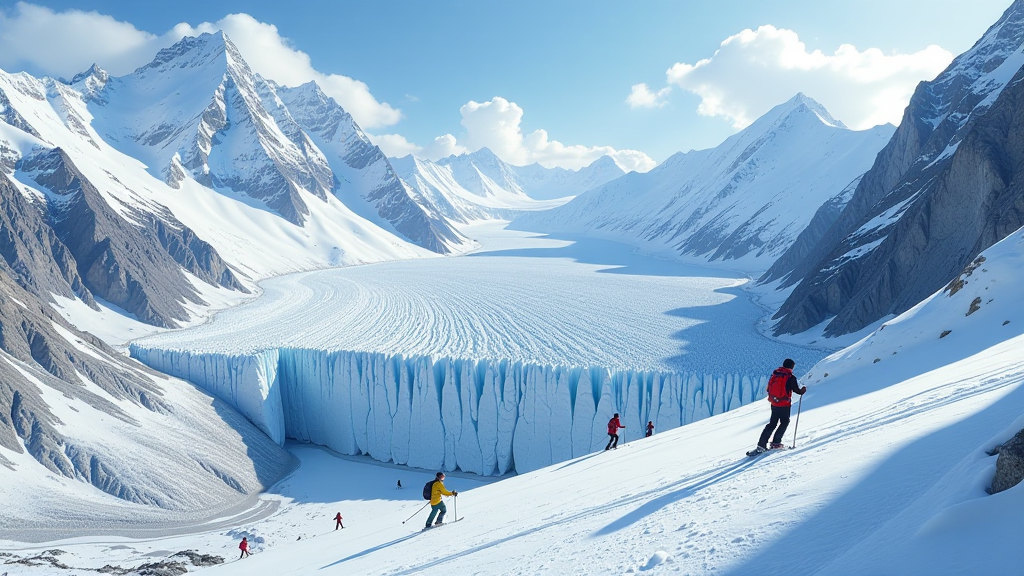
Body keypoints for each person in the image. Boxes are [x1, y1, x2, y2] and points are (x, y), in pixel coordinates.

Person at [749, 359, 807, 455]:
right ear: (792, 367)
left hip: (774, 403)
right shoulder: (790, 377)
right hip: (784, 404)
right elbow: (797, 390)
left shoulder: (776, 374)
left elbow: (769, 388)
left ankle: (761, 445)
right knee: (785, 422)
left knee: (772, 424)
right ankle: (776, 443)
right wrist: (803, 390)